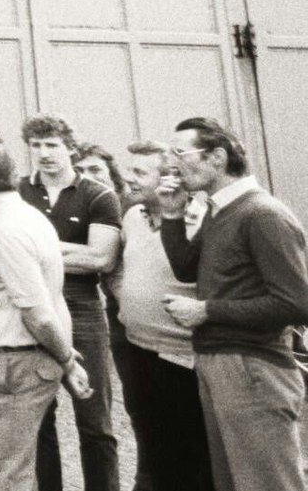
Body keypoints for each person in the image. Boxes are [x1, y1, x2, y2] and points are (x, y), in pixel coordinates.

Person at [159, 118, 308, 491]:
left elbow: (296, 303)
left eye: (180, 152)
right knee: (234, 483)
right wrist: (173, 215)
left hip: (253, 369)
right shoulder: (220, 210)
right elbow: (186, 267)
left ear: (217, 157)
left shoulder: (262, 214)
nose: (172, 164)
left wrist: (207, 311)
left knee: (267, 483)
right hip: (224, 363)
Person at [0, 139, 92, 491]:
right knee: (12, 471)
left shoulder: (5, 229)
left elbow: (38, 312)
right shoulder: (21, 217)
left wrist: (67, 360)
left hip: (10, 364)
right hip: (13, 361)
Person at [19, 114, 122, 491]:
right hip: (33, 309)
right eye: (36, 145)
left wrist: (38, 253)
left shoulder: (97, 194)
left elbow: (100, 259)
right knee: (40, 418)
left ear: (70, 148)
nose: (44, 153)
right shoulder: (19, 192)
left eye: (52, 145)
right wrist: (67, 251)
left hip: (82, 308)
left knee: (94, 420)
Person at [111, 141, 215, 491]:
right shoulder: (131, 216)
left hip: (182, 358)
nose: (129, 179)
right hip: (138, 350)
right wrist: (127, 296)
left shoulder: (200, 220)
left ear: (170, 178)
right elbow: (122, 267)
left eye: (140, 172)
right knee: (152, 446)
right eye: (129, 170)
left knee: (190, 455)